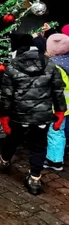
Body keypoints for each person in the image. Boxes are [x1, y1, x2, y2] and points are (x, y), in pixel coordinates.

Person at [0, 32, 66, 195]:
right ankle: (34, 178)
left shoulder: (12, 67)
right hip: (42, 115)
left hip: (18, 115)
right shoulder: (50, 66)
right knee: (38, 145)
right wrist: (60, 114)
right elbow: (58, 92)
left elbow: (6, 96)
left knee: (12, 139)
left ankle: (4, 161)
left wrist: (4, 117)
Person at [44, 33, 69, 171]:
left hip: (57, 106)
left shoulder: (56, 67)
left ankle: (55, 160)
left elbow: (54, 88)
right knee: (61, 131)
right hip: (66, 106)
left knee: (55, 131)